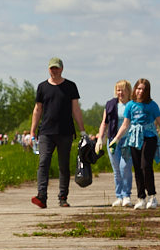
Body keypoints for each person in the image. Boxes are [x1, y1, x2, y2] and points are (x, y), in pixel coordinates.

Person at [29, 57, 86, 208]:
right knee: (43, 163)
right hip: (46, 132)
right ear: (48, 69)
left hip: (65, 132)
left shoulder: (70, 86)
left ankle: (63, 197)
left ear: (62, 69)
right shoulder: (42, 87)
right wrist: (32, 131)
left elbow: (76, 109)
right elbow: (37, 110)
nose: (54, 71)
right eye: (52, 68)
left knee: (63, 165)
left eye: (57, 68)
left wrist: (82, 130)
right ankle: (42, 196)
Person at [111, 78, 160, 209]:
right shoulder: (130, 105)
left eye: (143, 89)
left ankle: (152, 196)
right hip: (134, 138)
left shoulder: (152, 105)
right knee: (137, 168)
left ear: (147, 91)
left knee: (145, 165)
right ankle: (141, 198)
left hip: (149, 137)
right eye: (138, 88)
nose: (140, 91)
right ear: (135, 89)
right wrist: (116, 139)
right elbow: (125, 124)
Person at [97, 80, 133, 207]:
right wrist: (100, 138)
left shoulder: (132, 105)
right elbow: (104, 122)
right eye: (118, 90)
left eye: (123, 90)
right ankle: (119, 196)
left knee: (125, 167)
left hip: (128, 140)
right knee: (117, 170)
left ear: (129, 91)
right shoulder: (110, 104)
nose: (120, 92)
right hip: (112, 141)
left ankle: (126, 195)